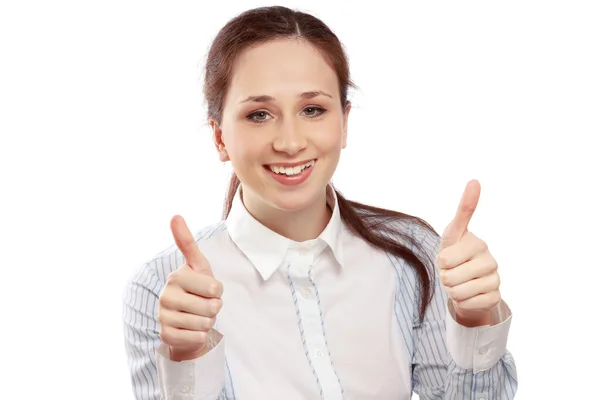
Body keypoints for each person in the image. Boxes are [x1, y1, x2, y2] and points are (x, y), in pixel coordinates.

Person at [122, 5, 518, 399]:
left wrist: (475, 321)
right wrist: (188, 359)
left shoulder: (415, 255)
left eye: (313, 110)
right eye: (259, 114)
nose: (291, 142)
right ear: (220, 137)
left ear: (344, 123)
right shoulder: (163, 288)